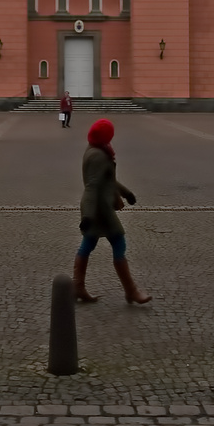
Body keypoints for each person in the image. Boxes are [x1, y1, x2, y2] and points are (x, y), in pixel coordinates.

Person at [75, 118, 149, 304]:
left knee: (88, 245)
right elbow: (92, 187)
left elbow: (108, 180)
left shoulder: (96, 150)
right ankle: (131, 291)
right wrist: (88, 216)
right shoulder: (98, 156)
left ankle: (78, 286)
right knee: (118, 242)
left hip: (99, 209)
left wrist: (126, 193)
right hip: (100, 211)